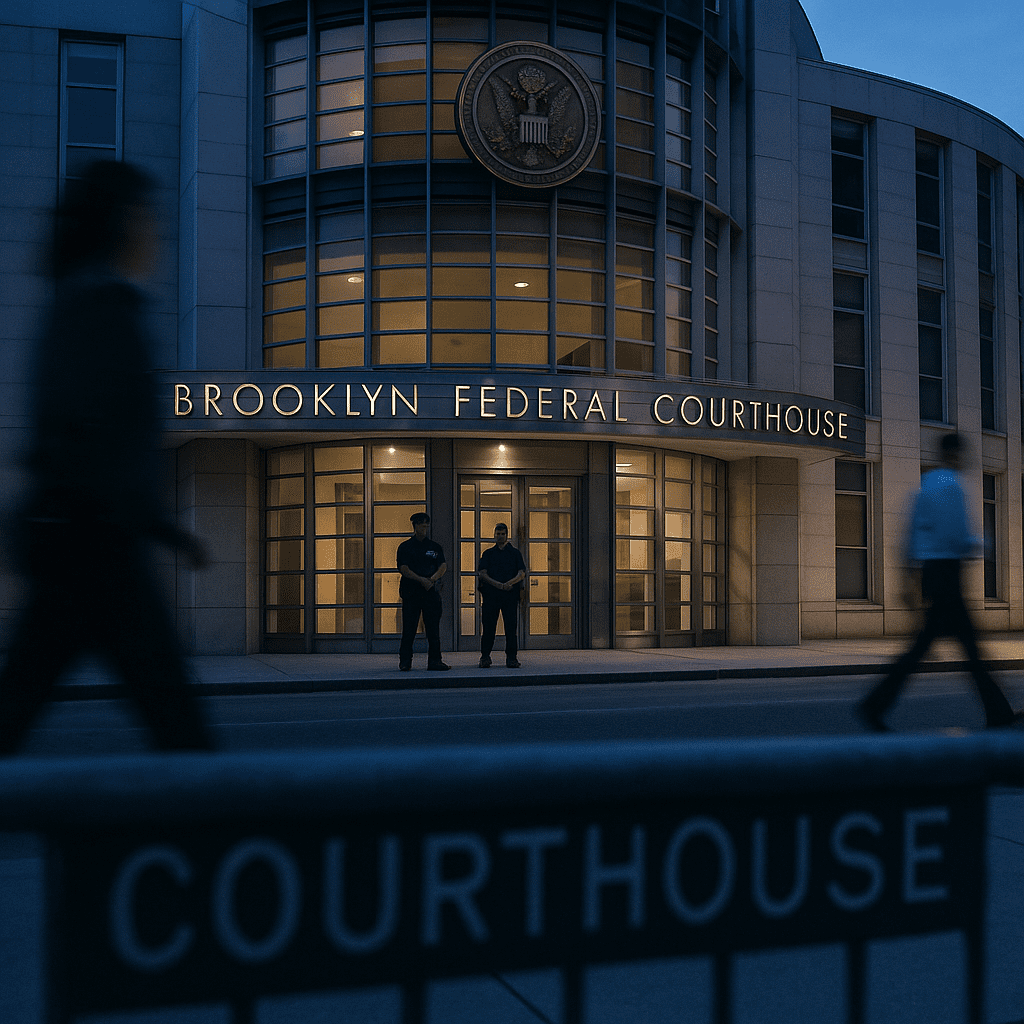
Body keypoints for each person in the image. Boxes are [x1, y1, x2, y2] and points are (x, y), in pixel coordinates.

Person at [0, 159, 213, 753]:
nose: (155, 232)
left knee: (16, 708)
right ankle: (215, 832)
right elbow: (92, 434)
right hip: (98, 550)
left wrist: (163, 528)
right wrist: (152, 521)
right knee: (182, 734)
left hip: (84, 544)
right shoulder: (100, 306)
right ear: (120, 221)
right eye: (147, 216)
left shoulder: (75, 301)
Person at [858, 433, 1018, 732]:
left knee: (934, 649)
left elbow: (910, 535)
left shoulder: (926, 485)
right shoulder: (952, 486)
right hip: (948, 574)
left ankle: (874, 705)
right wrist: (982, 544)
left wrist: (906, 579)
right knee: (969, 651)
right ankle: (999, 714)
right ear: (954, 454)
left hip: (931, 574)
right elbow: (955, 537)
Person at [397, 512, 450, 671]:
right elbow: (404, 569)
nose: (425, 527)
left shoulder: (434, 547)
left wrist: (432, 579)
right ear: (415, 526)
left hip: (430, 594)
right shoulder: (406, 547)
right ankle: (405, 661)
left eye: (427, 524)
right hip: (411, 593)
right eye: (421, 524)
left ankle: (435, 661)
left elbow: (443, 566)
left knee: (433, 630)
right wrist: (422, 580)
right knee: (409, 629)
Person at [477, 523, 527, 668]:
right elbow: (482, 573)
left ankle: (512, 658)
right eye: (498, 534)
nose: (500, 536)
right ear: (494, 535)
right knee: (488, 628)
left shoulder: (515, 553)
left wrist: (509, 583)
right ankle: (485, 656)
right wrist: (498, 585)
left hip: (509, 597)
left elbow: (521, 573)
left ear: (507, 535)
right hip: (491, 596)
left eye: (503, 534)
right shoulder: (488, 554)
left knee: (511, 628)